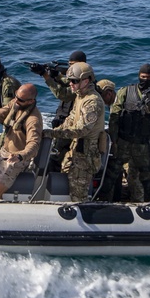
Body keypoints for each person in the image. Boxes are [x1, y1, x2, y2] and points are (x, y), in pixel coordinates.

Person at [107, 64, 150, 202]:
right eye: (143, 77)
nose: (145, 80)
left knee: (148, 178)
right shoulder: (125, 92)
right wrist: (114, 141)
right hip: (124, 142)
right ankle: (103, 200)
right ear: (138, 76)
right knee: (111, 174)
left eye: (149, 78)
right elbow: (114, 118)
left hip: (144, 146)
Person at [43, 62, 105, 203]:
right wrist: (54, 131)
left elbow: (81, 130)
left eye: (74, 81)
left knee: (78, 196)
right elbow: (71, 119)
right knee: (63, 185)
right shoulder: (80, 96)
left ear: (86, 80)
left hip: (86, 155)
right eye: (70, 80)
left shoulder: (92, 102)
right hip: (75, 151)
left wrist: (53, 134)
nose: (70, 84)